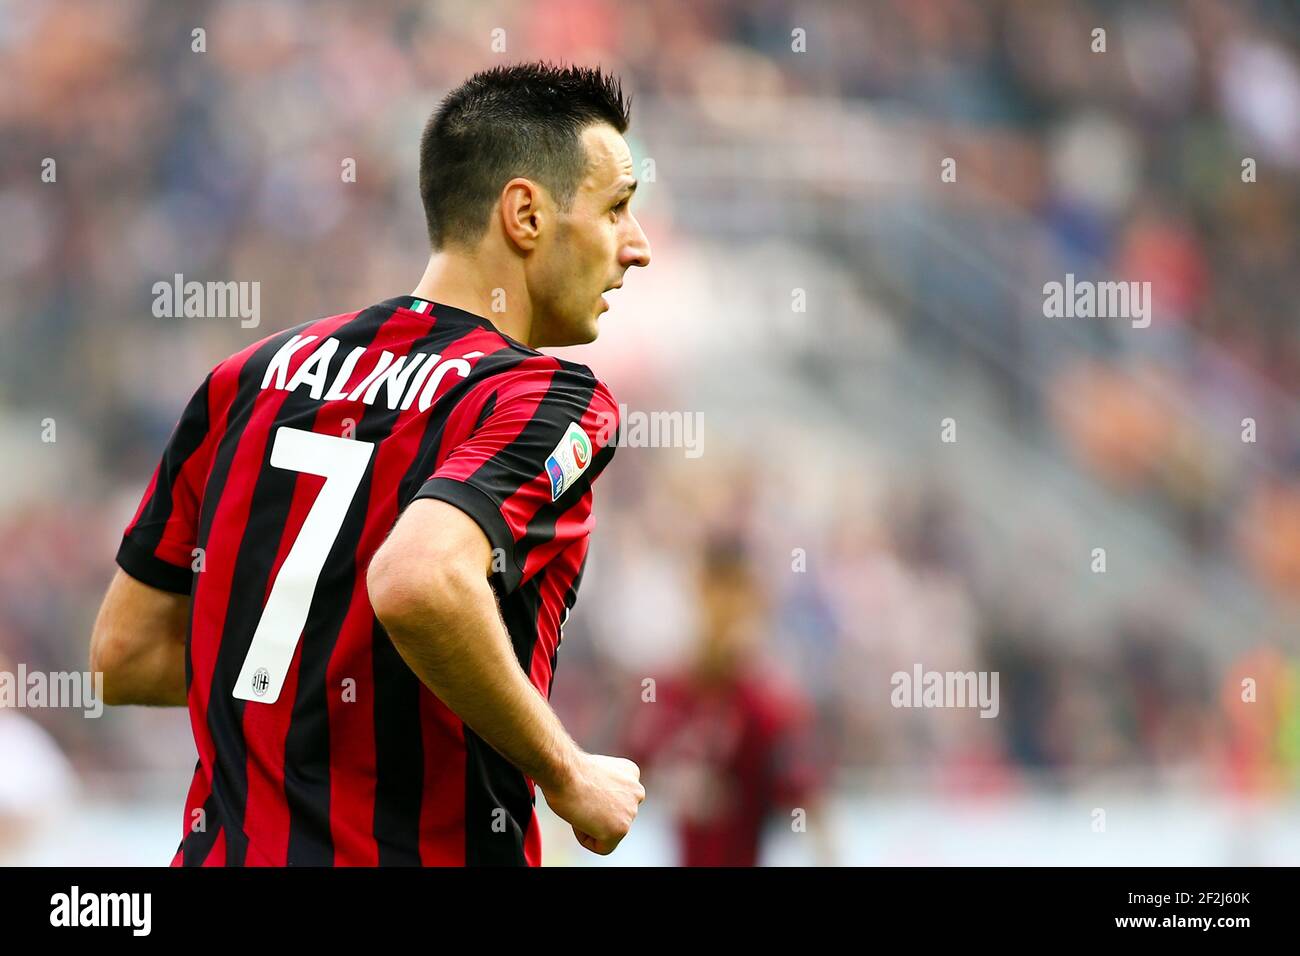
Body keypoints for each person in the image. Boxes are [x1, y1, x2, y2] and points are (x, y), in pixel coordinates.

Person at [88, 62, 651, 866]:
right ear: (524, 214)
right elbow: (420, 582)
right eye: (619, 208)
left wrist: (326, 650)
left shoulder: (244, 379)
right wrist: (567, 773)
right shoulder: (540, 398)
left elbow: (125, 654)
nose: (638, 248)